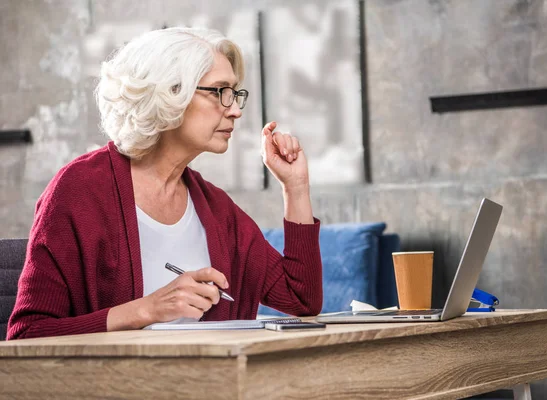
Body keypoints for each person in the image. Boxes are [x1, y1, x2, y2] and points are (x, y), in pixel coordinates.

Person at [7, 27, 323, 339]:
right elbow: (28, 333)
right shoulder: (79, 190)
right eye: (220, 92)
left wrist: (295, 186)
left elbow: (302, 299)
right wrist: (147, 310)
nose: (236, 110)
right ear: (169, 93)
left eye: (236, 93)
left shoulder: (216, 209)